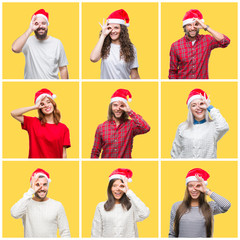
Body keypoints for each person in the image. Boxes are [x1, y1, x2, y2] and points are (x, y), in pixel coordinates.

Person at [169, 168, 231, 238]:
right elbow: (172, 234)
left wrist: (206, 191)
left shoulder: (210, 206)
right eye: (190, 186)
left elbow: (226, 205)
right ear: (187, 188)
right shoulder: (177, 206)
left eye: (198, 186)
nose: (194, 189)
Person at [169, 9, 230, 79]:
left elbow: (225, 41)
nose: (192, 28)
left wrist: (205, 27)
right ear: (184, 27)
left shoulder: (206, 40)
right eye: (189, 25)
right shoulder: (175, 46)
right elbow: (172, 72)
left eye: (196, 25)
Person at [11, 88, 71, 158]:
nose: (46, 105)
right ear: (40, 108)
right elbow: (14, 113)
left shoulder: (63, 128)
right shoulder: (33, 123)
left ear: (53, 104)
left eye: (48, 102)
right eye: (42, 104)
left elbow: (64, 154)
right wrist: (35, 107)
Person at [11, 168, 71, 238]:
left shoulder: (57, 205)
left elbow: (65, 232)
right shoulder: (26, 204)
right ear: (32, 186)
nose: (42, 188)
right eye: (38, 184)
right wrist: (31, 191)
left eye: (45, 184)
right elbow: (14, 214)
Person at [91, 89, 150, 158]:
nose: (118, 108)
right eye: (115, 105)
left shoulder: (131, 125)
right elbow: (95, 152)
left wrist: (129, 111)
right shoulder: (101, 127)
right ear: (111, 107)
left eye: (121, 106)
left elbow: (146, 128)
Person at [171, 88, 229, 158]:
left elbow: (224, 127)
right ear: (190, 109)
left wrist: (209, 107)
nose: (198, 107)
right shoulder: (182, 127)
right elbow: (175, 152)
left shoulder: (213, 126)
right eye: (194, 105)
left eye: (201, 104)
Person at [91, 168, 150, 237]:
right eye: (114, 185)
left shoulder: (131, 205)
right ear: (110, 188)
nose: (118, 189)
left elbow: (145, 213)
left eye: (121, 186)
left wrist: (128, 191)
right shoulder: (101, 207)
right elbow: (95, 233)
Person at [12, 9, 69, 79]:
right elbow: (15, 48)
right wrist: (30, 29)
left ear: (47, 25)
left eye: (43, 23)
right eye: (36, 24)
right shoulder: (27, 41)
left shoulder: (57, 43)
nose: (40, 26)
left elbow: (63, 68)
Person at [90, 9, 140, 79]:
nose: (113, 31)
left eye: (116, 27)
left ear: (122, 30)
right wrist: (103, 35)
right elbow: (93, 58)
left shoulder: (131, 48)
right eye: (110, 28)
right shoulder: (104, 46)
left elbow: (134, 74)